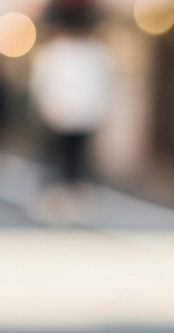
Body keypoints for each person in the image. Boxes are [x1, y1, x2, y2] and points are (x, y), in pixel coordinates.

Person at [29, 22, 113, 217]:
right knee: (71, 155)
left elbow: (41, 83)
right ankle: (66, 191)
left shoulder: (56, 52)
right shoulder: (92, 53)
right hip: (75, 113)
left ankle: (66, 191)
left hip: (67, 112)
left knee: (67, 155)